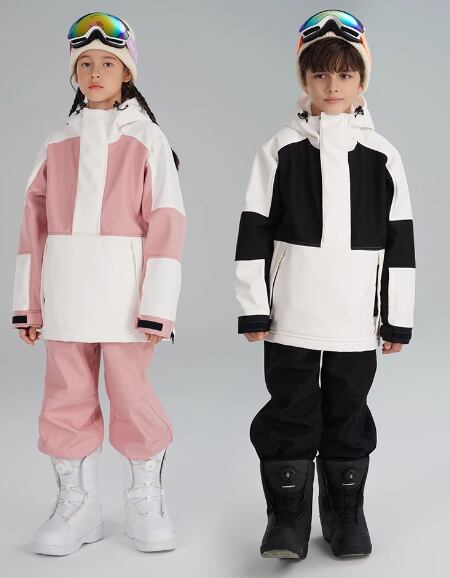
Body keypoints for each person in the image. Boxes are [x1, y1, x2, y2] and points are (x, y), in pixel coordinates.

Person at [234, 9, 415, 560]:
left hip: (357, 317)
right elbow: (253, 229)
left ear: (361, 82)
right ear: (304, 80)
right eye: (319, 74)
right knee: (290, 407)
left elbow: (400, 241)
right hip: (291, 313)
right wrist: (254, 306)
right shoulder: (279, 150)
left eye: (344, 74)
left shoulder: (383, 155)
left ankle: (344, 513)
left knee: (348, 409)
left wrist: (397, 318)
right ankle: (287, 518)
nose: (332, 86)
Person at [11, 12, 187, 555]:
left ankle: (144, 496)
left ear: (127, 72)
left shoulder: (147, 139)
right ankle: (78, 504)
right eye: (84, 63)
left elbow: (167, 221)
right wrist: (28, 305)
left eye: (107, 63)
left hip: (125, 299)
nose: (94, 73)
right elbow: (32, 227)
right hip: (65, 296)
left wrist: (158, 306)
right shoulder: (56, 142)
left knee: (131, 395)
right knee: (65, 397)